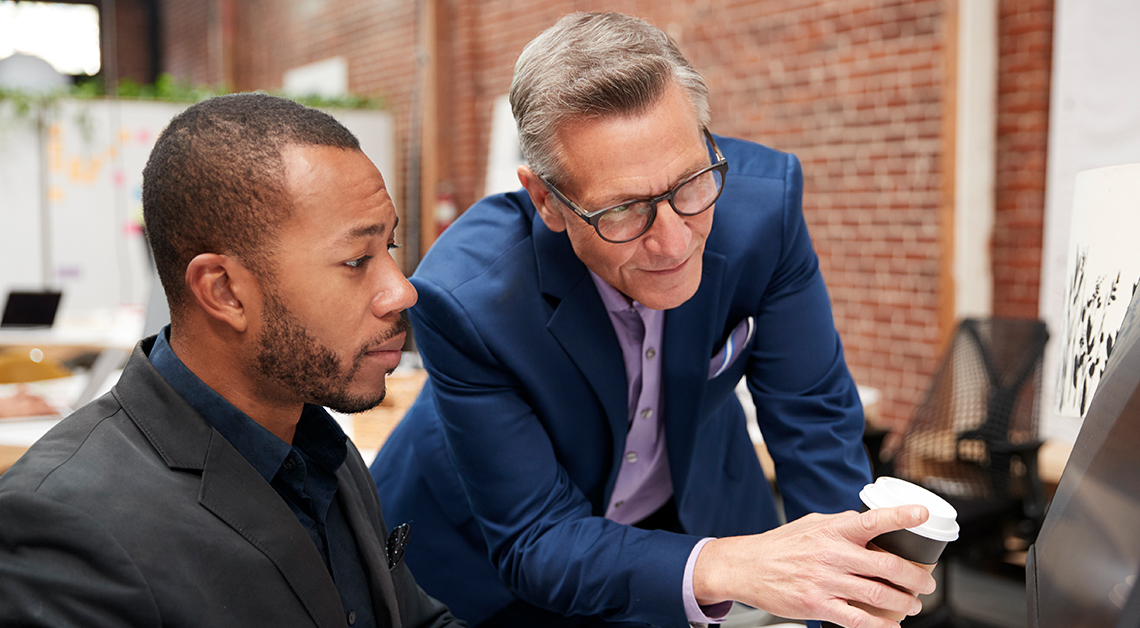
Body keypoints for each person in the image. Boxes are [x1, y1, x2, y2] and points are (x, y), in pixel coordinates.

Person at [370, 11, 934, 628]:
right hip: (483, 560)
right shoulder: (471, 298)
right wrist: (721, 566)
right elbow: (537, 540)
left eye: (689, 183)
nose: (672, 243)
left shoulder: (761, 214)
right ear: (546, 201)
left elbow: (814, 419)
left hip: (678, 523)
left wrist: (847, 599)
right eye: (624, 211)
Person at [0, 93, 463, 628]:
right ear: (225, 292)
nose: (402, 292)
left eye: (391, 248)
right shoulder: (62, 528)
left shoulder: (316, 444)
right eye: (356, 261)